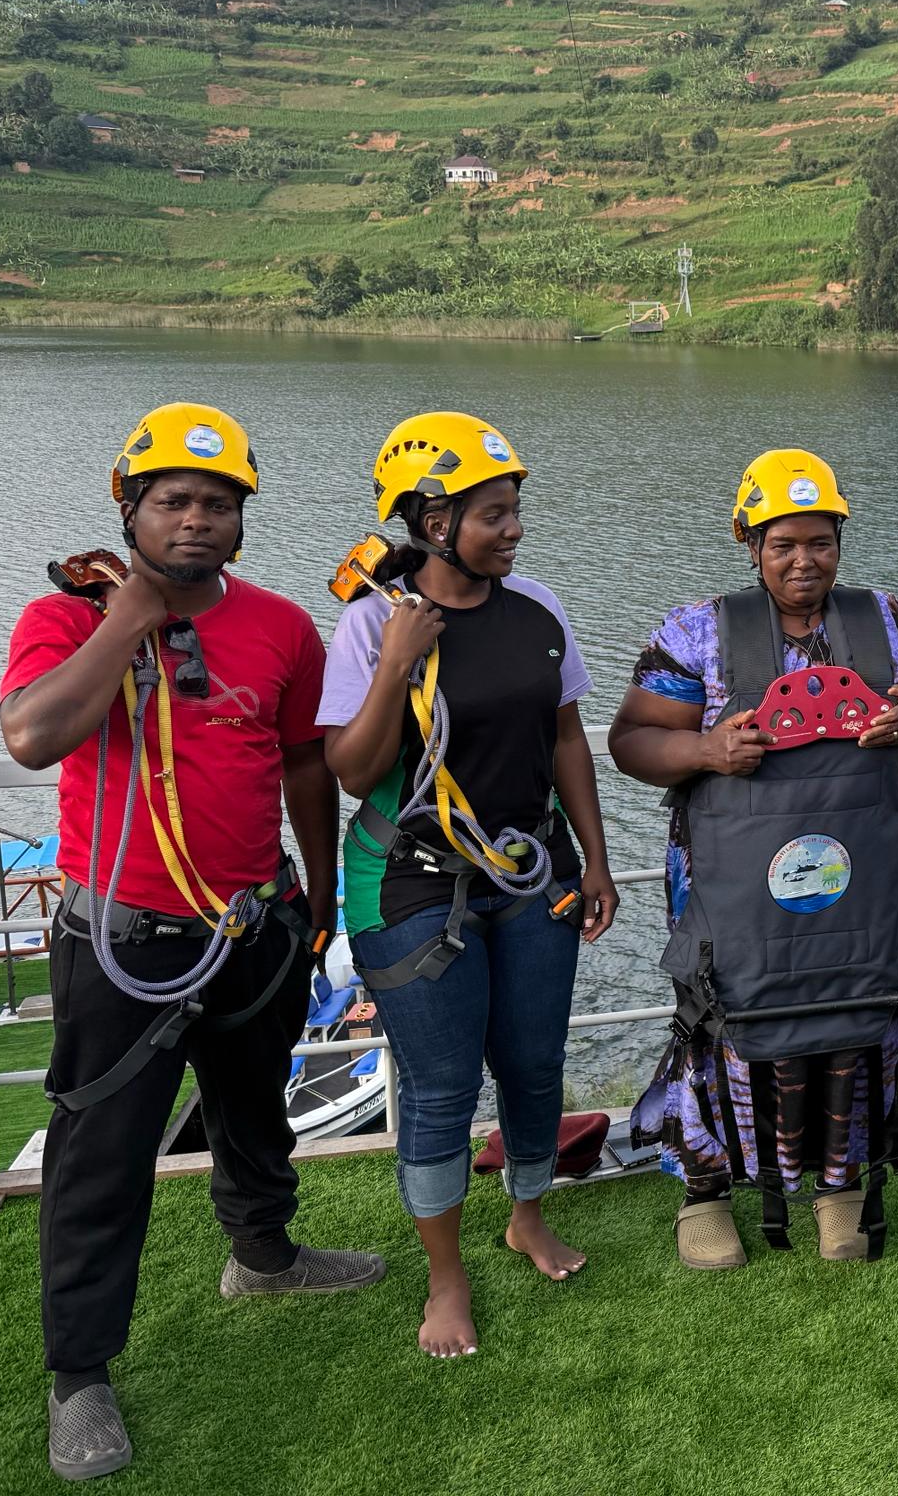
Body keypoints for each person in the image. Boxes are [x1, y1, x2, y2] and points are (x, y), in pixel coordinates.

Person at [0, 403, 383, 1482]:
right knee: (101, 1157)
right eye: (173, 500)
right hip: (126, 937)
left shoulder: (280, 628)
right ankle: (79, 1374)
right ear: (130, 507)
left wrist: (313, 895)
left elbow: (306, 764)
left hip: (254, 919)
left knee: (252, 1106)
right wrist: (129, 621)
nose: (198, 520)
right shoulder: (68, 617)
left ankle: (263, 1254)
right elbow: (32, 737)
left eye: (219, 503)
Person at [609, 449, 898, 1269]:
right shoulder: (697, 631)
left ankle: (839, 1188)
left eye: (821, 542)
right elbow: (629, 741)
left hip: (859, 881)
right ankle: (707, 1193)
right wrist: (706, 748)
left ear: (841, 538)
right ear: (749, 540)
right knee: (723, 1020)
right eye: (783, 544)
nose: (804, 560)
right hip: (731, 883)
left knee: (855, 1014)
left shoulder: (889, 622)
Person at [320, 411, 618, 1359]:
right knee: (445, 1088)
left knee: (533, 1063)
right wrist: (397, 664)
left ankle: (527, 1216)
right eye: (495, 514)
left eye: (516, 510)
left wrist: (597, 859)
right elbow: (351, 771)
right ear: (433, 520)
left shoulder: (537, 609)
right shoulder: (373, 622)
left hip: (530, 872)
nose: (516, 529)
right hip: (413, 884)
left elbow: (566, 736)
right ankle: (445, 1280)